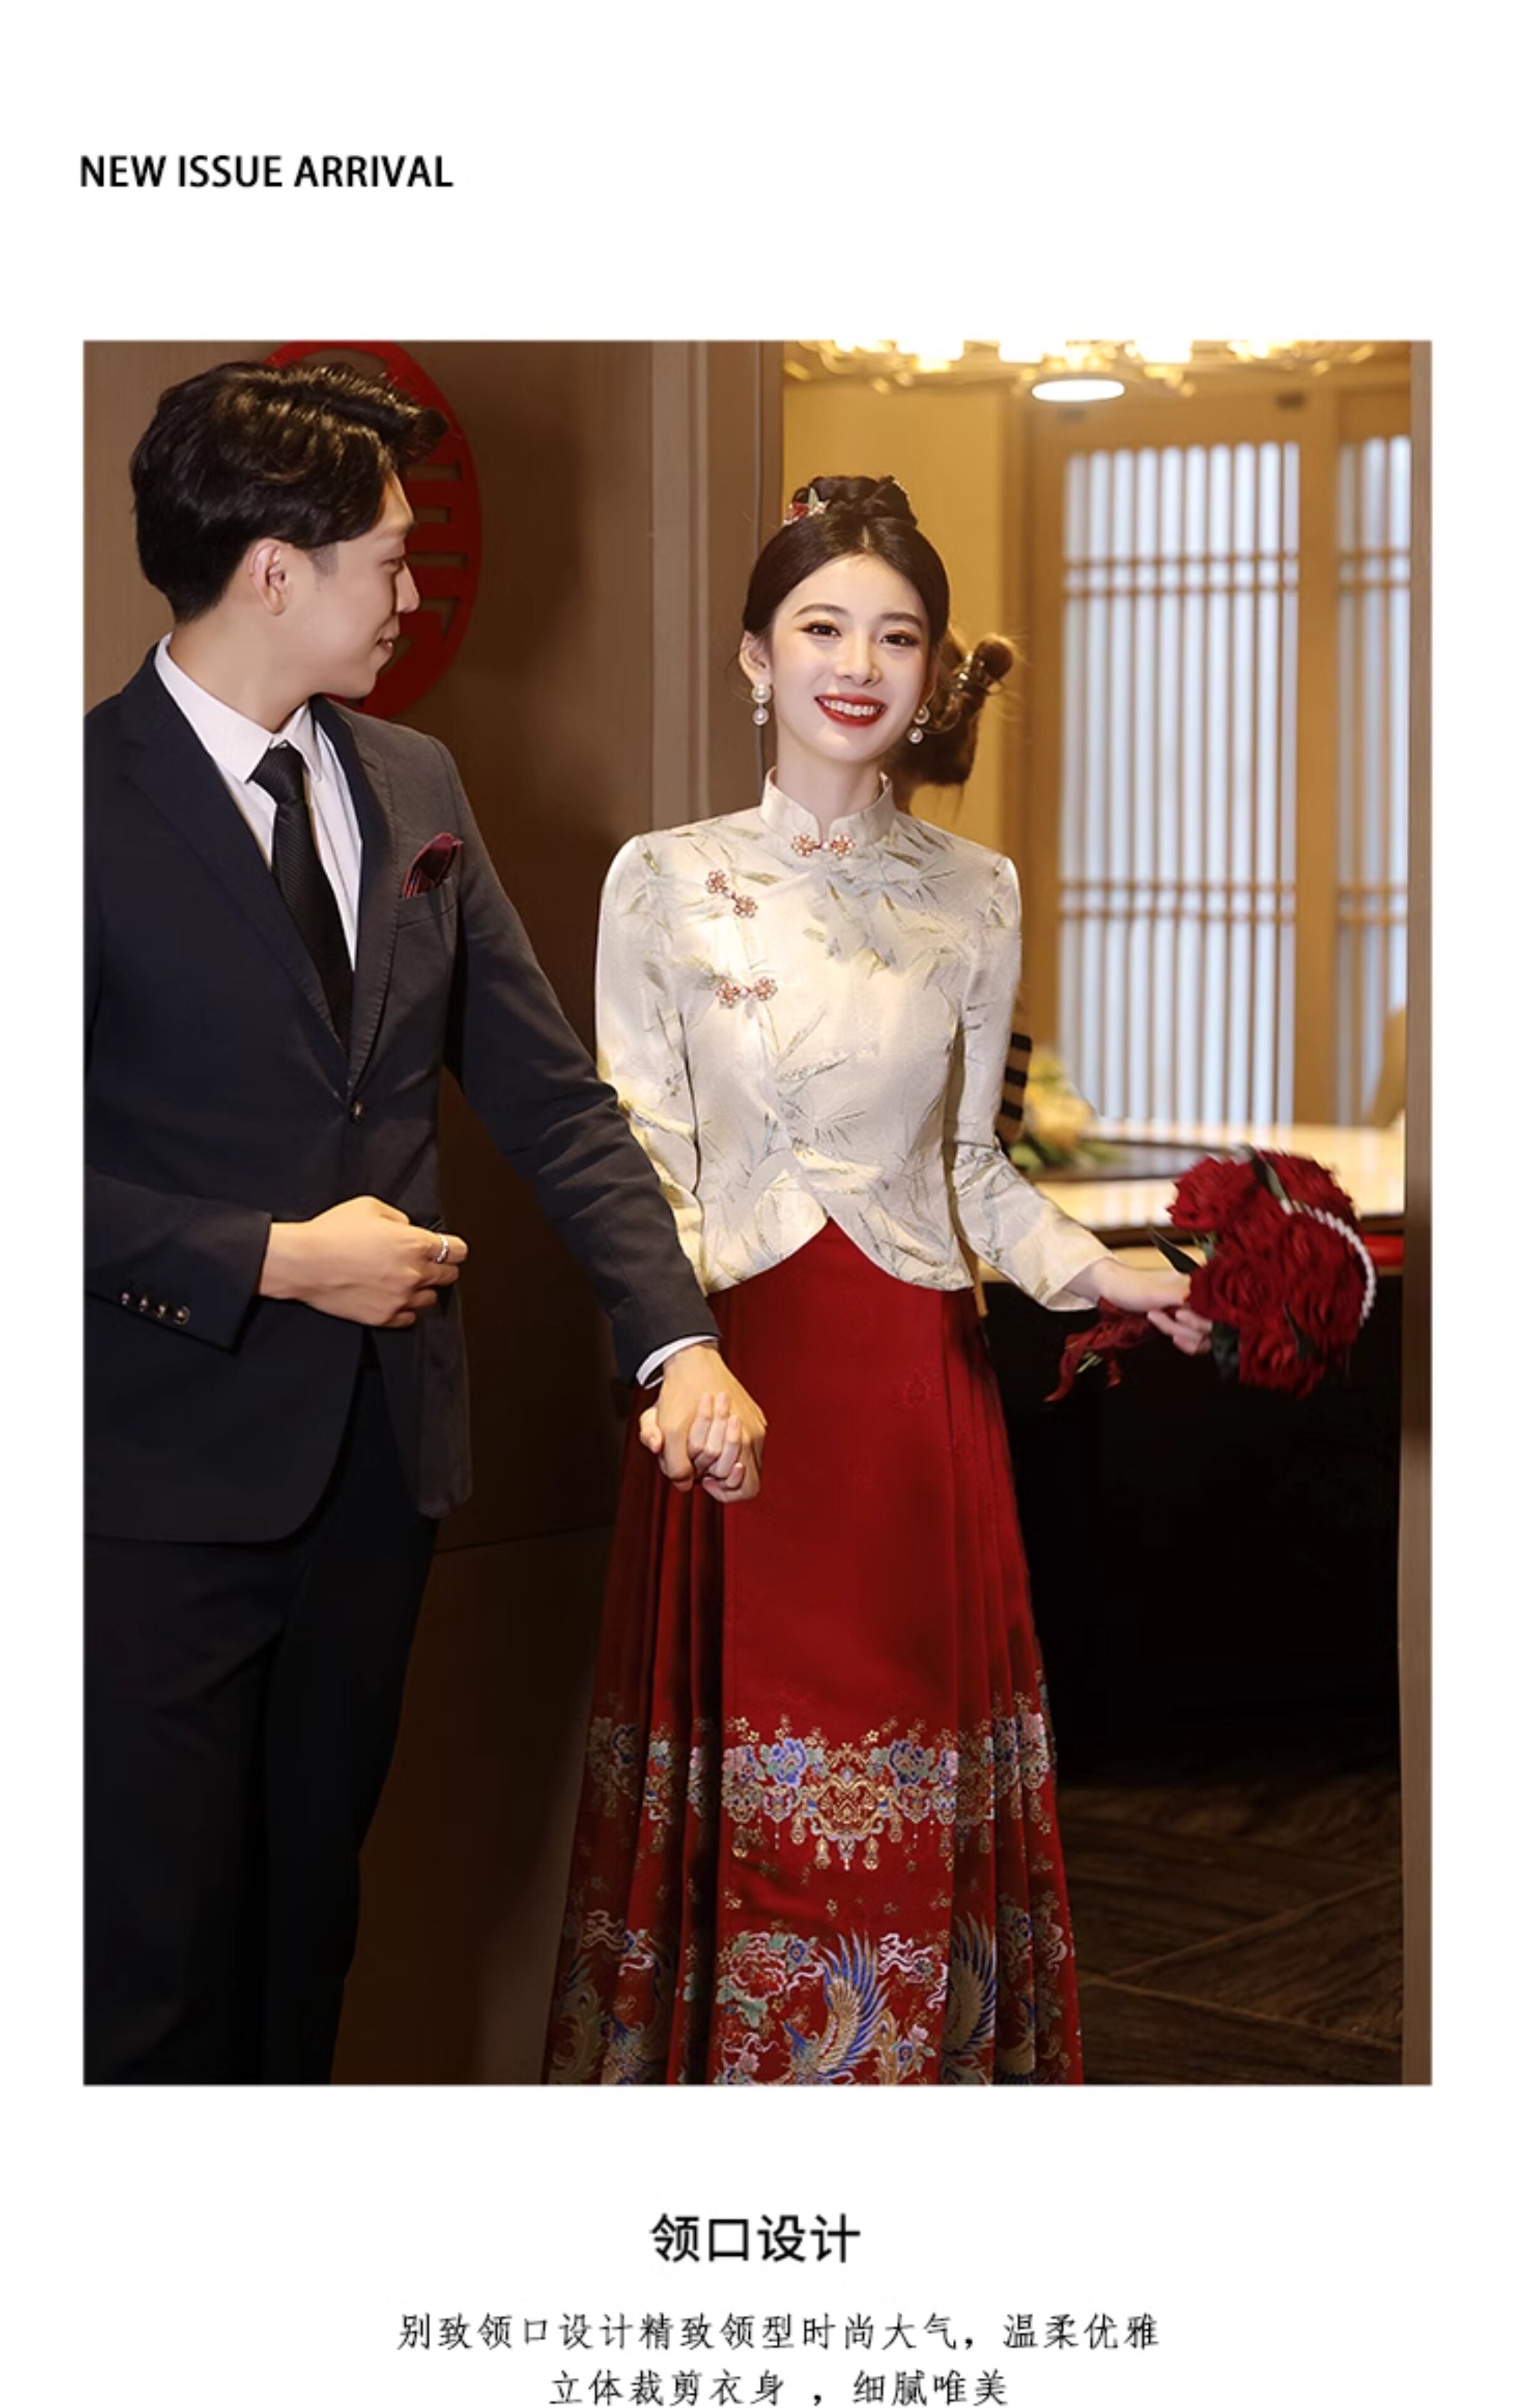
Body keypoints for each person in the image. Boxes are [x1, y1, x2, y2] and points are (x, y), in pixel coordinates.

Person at [85, 358, 765, 2085]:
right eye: (388, 558)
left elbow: (551, 1099)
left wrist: (675, 1337)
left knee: (309, 1930)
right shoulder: (63, 809)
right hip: (142, 1492)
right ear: (274, 572)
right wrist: (271, 1259)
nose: (412, 591)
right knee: (149, 1969)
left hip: (382, 1476)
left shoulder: (417, 783)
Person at [544, 475, 1210, 2086]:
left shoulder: (974, 891)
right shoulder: (661, 878)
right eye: (821, 628)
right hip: (730, 1378)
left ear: (931, 672)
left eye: (896, 637)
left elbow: (970, 1170)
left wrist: (1100, 1275)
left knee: (900, 1768)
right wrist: (672, 1359)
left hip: (914, 1388)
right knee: (746, 1780)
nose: (858, 665)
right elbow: (641, 1157)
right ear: (754, 658)